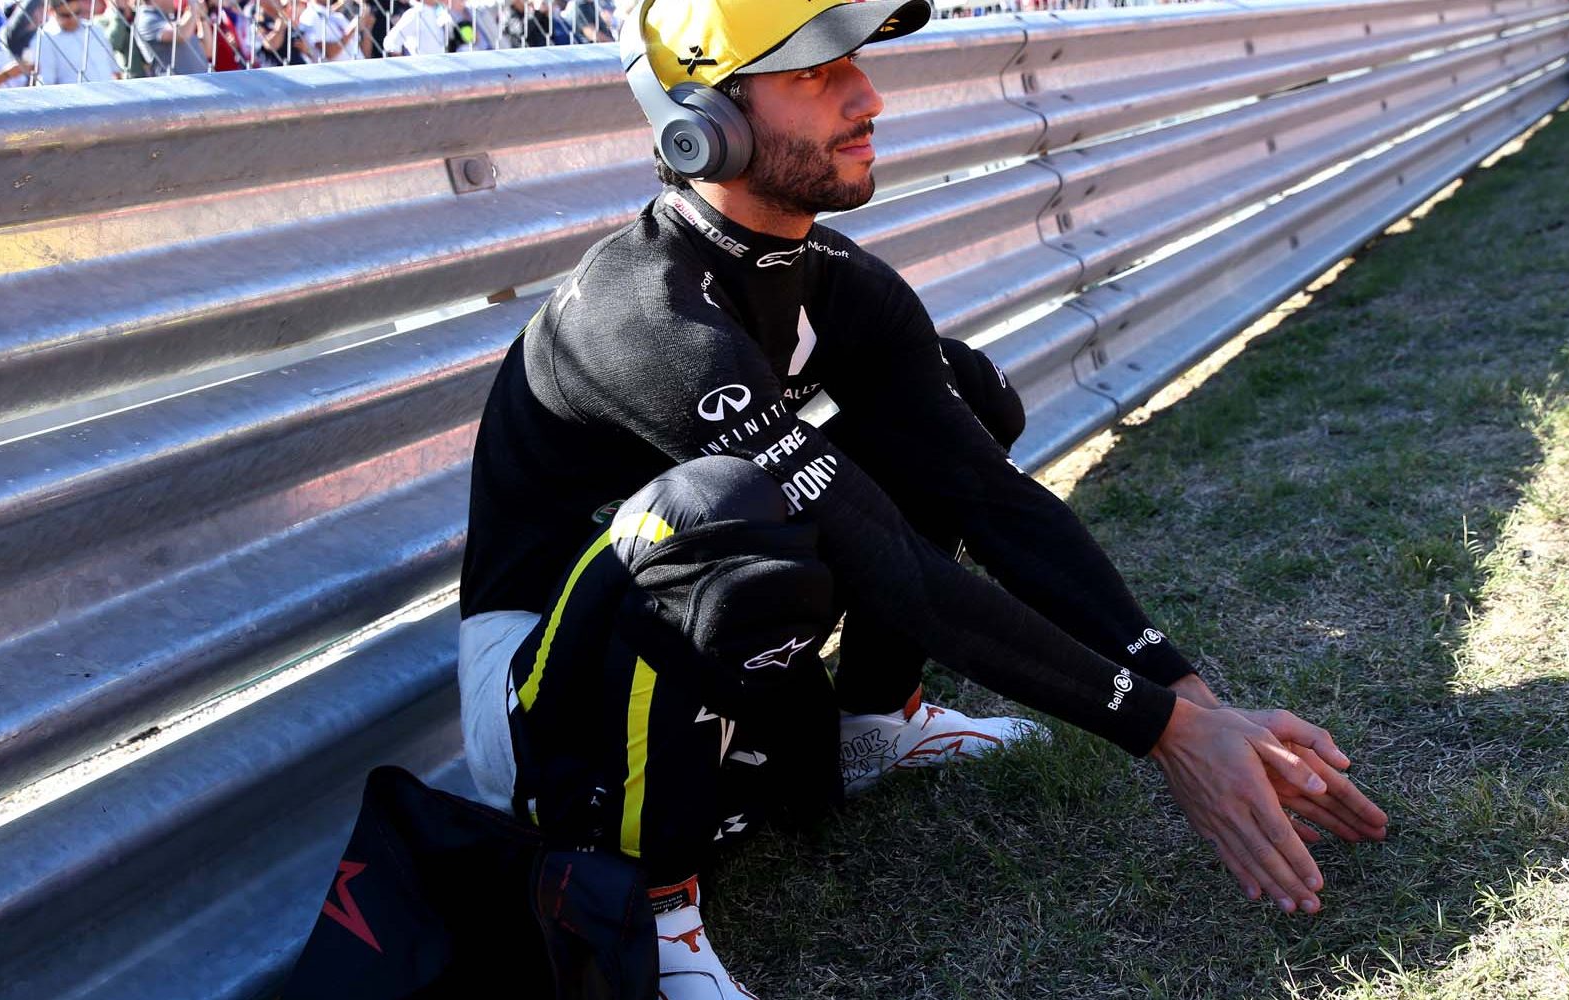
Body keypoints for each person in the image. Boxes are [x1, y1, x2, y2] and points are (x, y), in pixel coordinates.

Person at [456, 0, 1391, 995]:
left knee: (958, 396)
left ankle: (875, 719)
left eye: (854, 61)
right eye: (814, 75)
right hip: (544, 704)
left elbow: (989, 499)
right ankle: (644, 901)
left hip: (696, 655)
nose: (868, 96)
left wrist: (1201, 703)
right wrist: (1158, 731)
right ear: (702, 121)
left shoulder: (835, 283)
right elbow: (880, 557)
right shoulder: (643, 312)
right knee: (726, 510)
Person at [24, 0, 119, 82]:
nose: (73, 19)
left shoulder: (94, 30)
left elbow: (115, 69)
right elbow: (46, 81)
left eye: (76, 13)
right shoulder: (45, 39)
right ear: (51, 12)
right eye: (66, 15)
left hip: (110, 94)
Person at [131, 0, 208, 74]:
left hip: (200, 82)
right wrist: (193, 9)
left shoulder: (172, 18)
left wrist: (202, 18)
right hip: (176, 84)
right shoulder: (146, 19)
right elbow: (181, 35)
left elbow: (208, 50)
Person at [381, 0, 452, 55]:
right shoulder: (414, 14)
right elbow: (390, 43)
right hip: (422, 69)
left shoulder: (442, 12)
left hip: (443, 68)